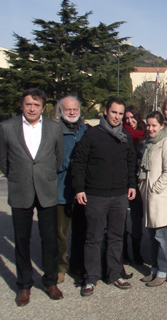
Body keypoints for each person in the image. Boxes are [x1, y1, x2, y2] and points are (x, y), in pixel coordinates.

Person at [0, 88, 64, 306]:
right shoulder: (7, 128)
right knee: (21, 241)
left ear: (43, 107)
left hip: (46, 190)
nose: (32, 108)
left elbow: (58, 158)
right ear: (21, 105)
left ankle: (50, 281)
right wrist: (19, 176)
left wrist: (42, 175)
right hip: (21, 190)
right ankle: (24, 285)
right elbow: (3, 161)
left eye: (36, 105)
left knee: (49, 240)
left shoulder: (54, 128)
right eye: (28, 104)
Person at [72, 97, 136, 296]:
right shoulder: (91, 135)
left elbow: (131, 163)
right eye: (113, 112)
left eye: (120, 113)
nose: (117, 117)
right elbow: (79, 162)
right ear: (106, 111)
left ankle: (114, 273)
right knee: (93, 238)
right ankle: (90, 279)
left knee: (116, 237)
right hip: (95, 196)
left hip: (119, 196)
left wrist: (132, 185)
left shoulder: (125, 136)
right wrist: (79, 188)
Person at [138, 111, 167, 287]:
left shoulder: (166, 143)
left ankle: (165, 270)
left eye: (154, 125)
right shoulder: (149, 143)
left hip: (159, 196)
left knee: (162, 235)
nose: (150, 128)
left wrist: (156, 188)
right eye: (148, 125)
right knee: (152, 235)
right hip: (148, 195)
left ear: (162, 126)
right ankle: (155, 269)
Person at [56, 95, 88, 284]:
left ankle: (77, 264)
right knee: (61, 232)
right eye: (68, 109)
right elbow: (50, 160)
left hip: (82, 190)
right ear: (61, 111)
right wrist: (71, 163)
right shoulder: (53, 131)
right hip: (62, 189)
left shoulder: (85, 130)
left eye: (75, 109)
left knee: (81, 229)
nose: (72, 112)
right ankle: (60, 266)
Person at [122, 106, 146, 265]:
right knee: (132, 219)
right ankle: (131, 251)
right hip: (128, 181)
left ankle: (142, 249)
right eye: (127, 118)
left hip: (144, 182)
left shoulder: (147, 133)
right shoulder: (122, 134)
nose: (130, 121)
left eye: (132, 117)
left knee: (145, 218)